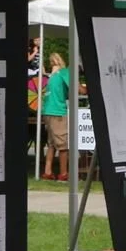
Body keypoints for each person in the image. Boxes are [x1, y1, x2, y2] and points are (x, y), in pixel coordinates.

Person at [40, 51, 71, 181]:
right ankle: (64, 173)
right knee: (63, 145)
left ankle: (48, 172)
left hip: (47, 111)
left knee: (52, 144)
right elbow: (76, 88)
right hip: (58, 112)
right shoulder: (64, 72)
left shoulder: (50, 76)